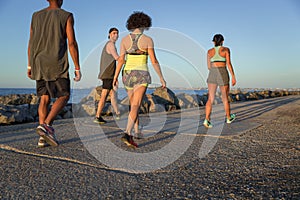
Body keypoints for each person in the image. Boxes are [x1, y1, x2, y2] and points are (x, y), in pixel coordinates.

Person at [27, 0, 81, 147]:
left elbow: (31, 42)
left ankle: (42, 138)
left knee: (44, 98)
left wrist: (30, 64)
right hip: (56, 62)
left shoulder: (35, 16)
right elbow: (72, 43)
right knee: (64, 95)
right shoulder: (66, 15)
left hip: (38, 62)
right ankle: (46, 126)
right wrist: (77, 67)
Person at [113, 11, 166, 148]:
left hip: (127, 74)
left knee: (133, 104)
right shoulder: (148, 40)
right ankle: (127, 133)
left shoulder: (124, 40)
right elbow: (154, 60)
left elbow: (120, 60)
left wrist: (115, 77)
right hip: (141, 73)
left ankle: (136, 130)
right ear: (145, 23)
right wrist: (161, 78)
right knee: (136, 105)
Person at [203, 34, 236, 128]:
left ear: (213, 42)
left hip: (213, 72)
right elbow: (229, 64)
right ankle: (229, 118)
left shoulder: (209, 51)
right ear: (222, 41)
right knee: (225, 98)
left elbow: (209, 67)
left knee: (211, 98)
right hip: (222, 72)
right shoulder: (226, 50)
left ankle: (207, 119)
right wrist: (233, 76)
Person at [94, 28, 121, 124]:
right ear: (109, 34)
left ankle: (117, 114)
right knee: (104, 95)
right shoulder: (110, 45)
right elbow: (117, 58)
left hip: (110, 74)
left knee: (113, 93)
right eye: (114, 33)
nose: (116, 35)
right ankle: (97, 116)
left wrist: (115, 76)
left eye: (117, 33)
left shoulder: (111, 45)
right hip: (107, 74)